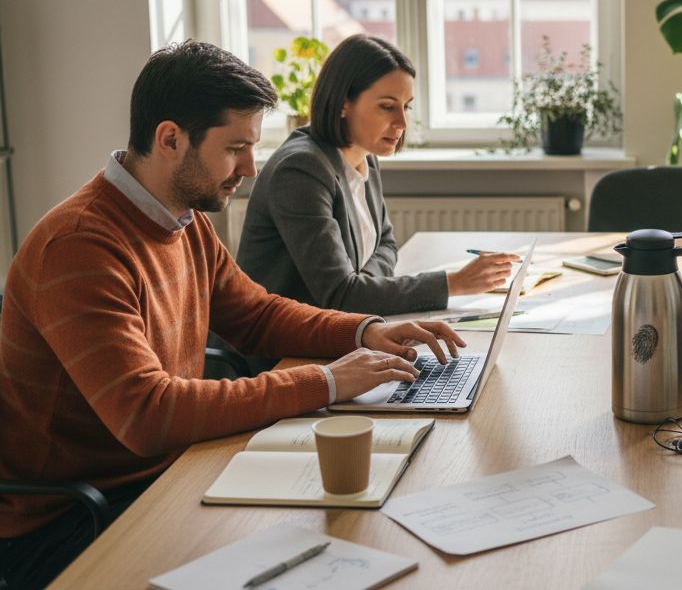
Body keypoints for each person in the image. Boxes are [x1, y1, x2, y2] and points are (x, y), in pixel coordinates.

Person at [0, 41, 465, 589]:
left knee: (361, 529)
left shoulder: (183, 220)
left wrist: (366, 330)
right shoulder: (80, 247)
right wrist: (326, 381)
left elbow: (257, 314)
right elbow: (148, 415)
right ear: (170, 139)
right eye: (236, 148)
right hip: (76, 519)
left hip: (170, 472)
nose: (250, 167)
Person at [237, 34, 516, 317]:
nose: (402, 122)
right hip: (276, 343)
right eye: (387, 106)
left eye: (406, 106)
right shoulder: (300, 169)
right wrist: (452, 283)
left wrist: (364, 289)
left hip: (336, 329)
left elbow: (386, 244)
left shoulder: (364, 156)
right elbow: (341, 296)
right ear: (343, 103)